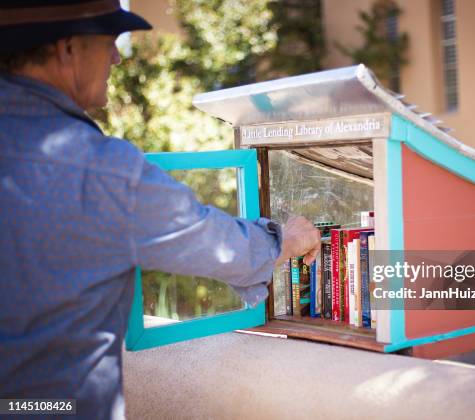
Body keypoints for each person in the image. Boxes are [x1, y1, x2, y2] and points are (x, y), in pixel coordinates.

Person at [0, 1, 320, 418]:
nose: (117, 56)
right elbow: (213, 243)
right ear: (68, 49)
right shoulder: (96, 167)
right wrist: (289, 239)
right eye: (110, 41)